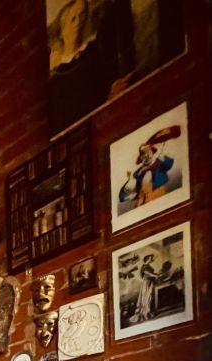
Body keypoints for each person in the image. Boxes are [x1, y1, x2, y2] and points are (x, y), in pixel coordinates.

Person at [48, 0, 135, 134]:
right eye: (73, 19)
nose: (78, 22)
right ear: (62, 31)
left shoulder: (94, 51)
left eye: (82, 15)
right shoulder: (56, 79)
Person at [119, 140, 175, 207]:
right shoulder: (139, 172)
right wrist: (130, 189)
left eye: (148, 152)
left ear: (153, 153)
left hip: (156, 194)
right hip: (142, 198)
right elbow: (123, 195)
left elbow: (169, 164)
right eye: (143, 154)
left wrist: (160, 153)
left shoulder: (158, 163)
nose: (146, 156)